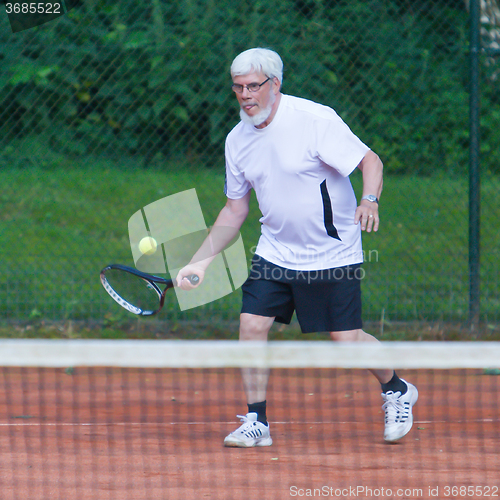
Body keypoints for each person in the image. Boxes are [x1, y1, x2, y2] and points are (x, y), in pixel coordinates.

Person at [176, 47, 418, 447]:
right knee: (252, 324)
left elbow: (369, 161)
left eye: (253, 86)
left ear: (276, 84)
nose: (245, 95)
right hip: (275, 252)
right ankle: (257, 421)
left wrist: (369, 200)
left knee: (346, 339)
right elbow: (235, 210)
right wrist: (200, 262)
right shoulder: (237, 141)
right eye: (238, 87)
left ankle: (396, 388)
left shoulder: (313, 120)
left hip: (332, 253)